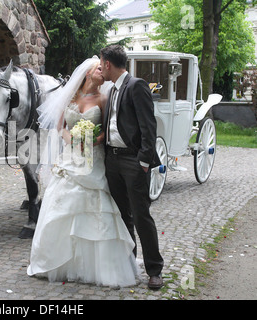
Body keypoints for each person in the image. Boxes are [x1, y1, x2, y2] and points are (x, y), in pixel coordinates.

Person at [27, 57, 139, 288]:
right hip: (70, 157)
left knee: (92, 205)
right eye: (99, 68)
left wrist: (91, 142)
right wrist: (73, 141)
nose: (102, 71)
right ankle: (59, 261)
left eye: (103, 67)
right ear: (87, 73)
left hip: (92, 158)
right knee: (61, 207)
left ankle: (96, 266)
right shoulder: (71, 96)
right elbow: (60, 127)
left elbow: (108, 129)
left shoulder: (104, 98)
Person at [100, 45, 164, 289]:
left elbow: (149, 127)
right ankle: (129, 264)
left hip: (132, 162)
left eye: (100, 62)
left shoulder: (136, 85)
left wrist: (144, 161)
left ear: (108, 64)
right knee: (122, 216)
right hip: (112, 160)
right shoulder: (112, 89)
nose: (100, 67)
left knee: (141, 216)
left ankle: (155, 270)